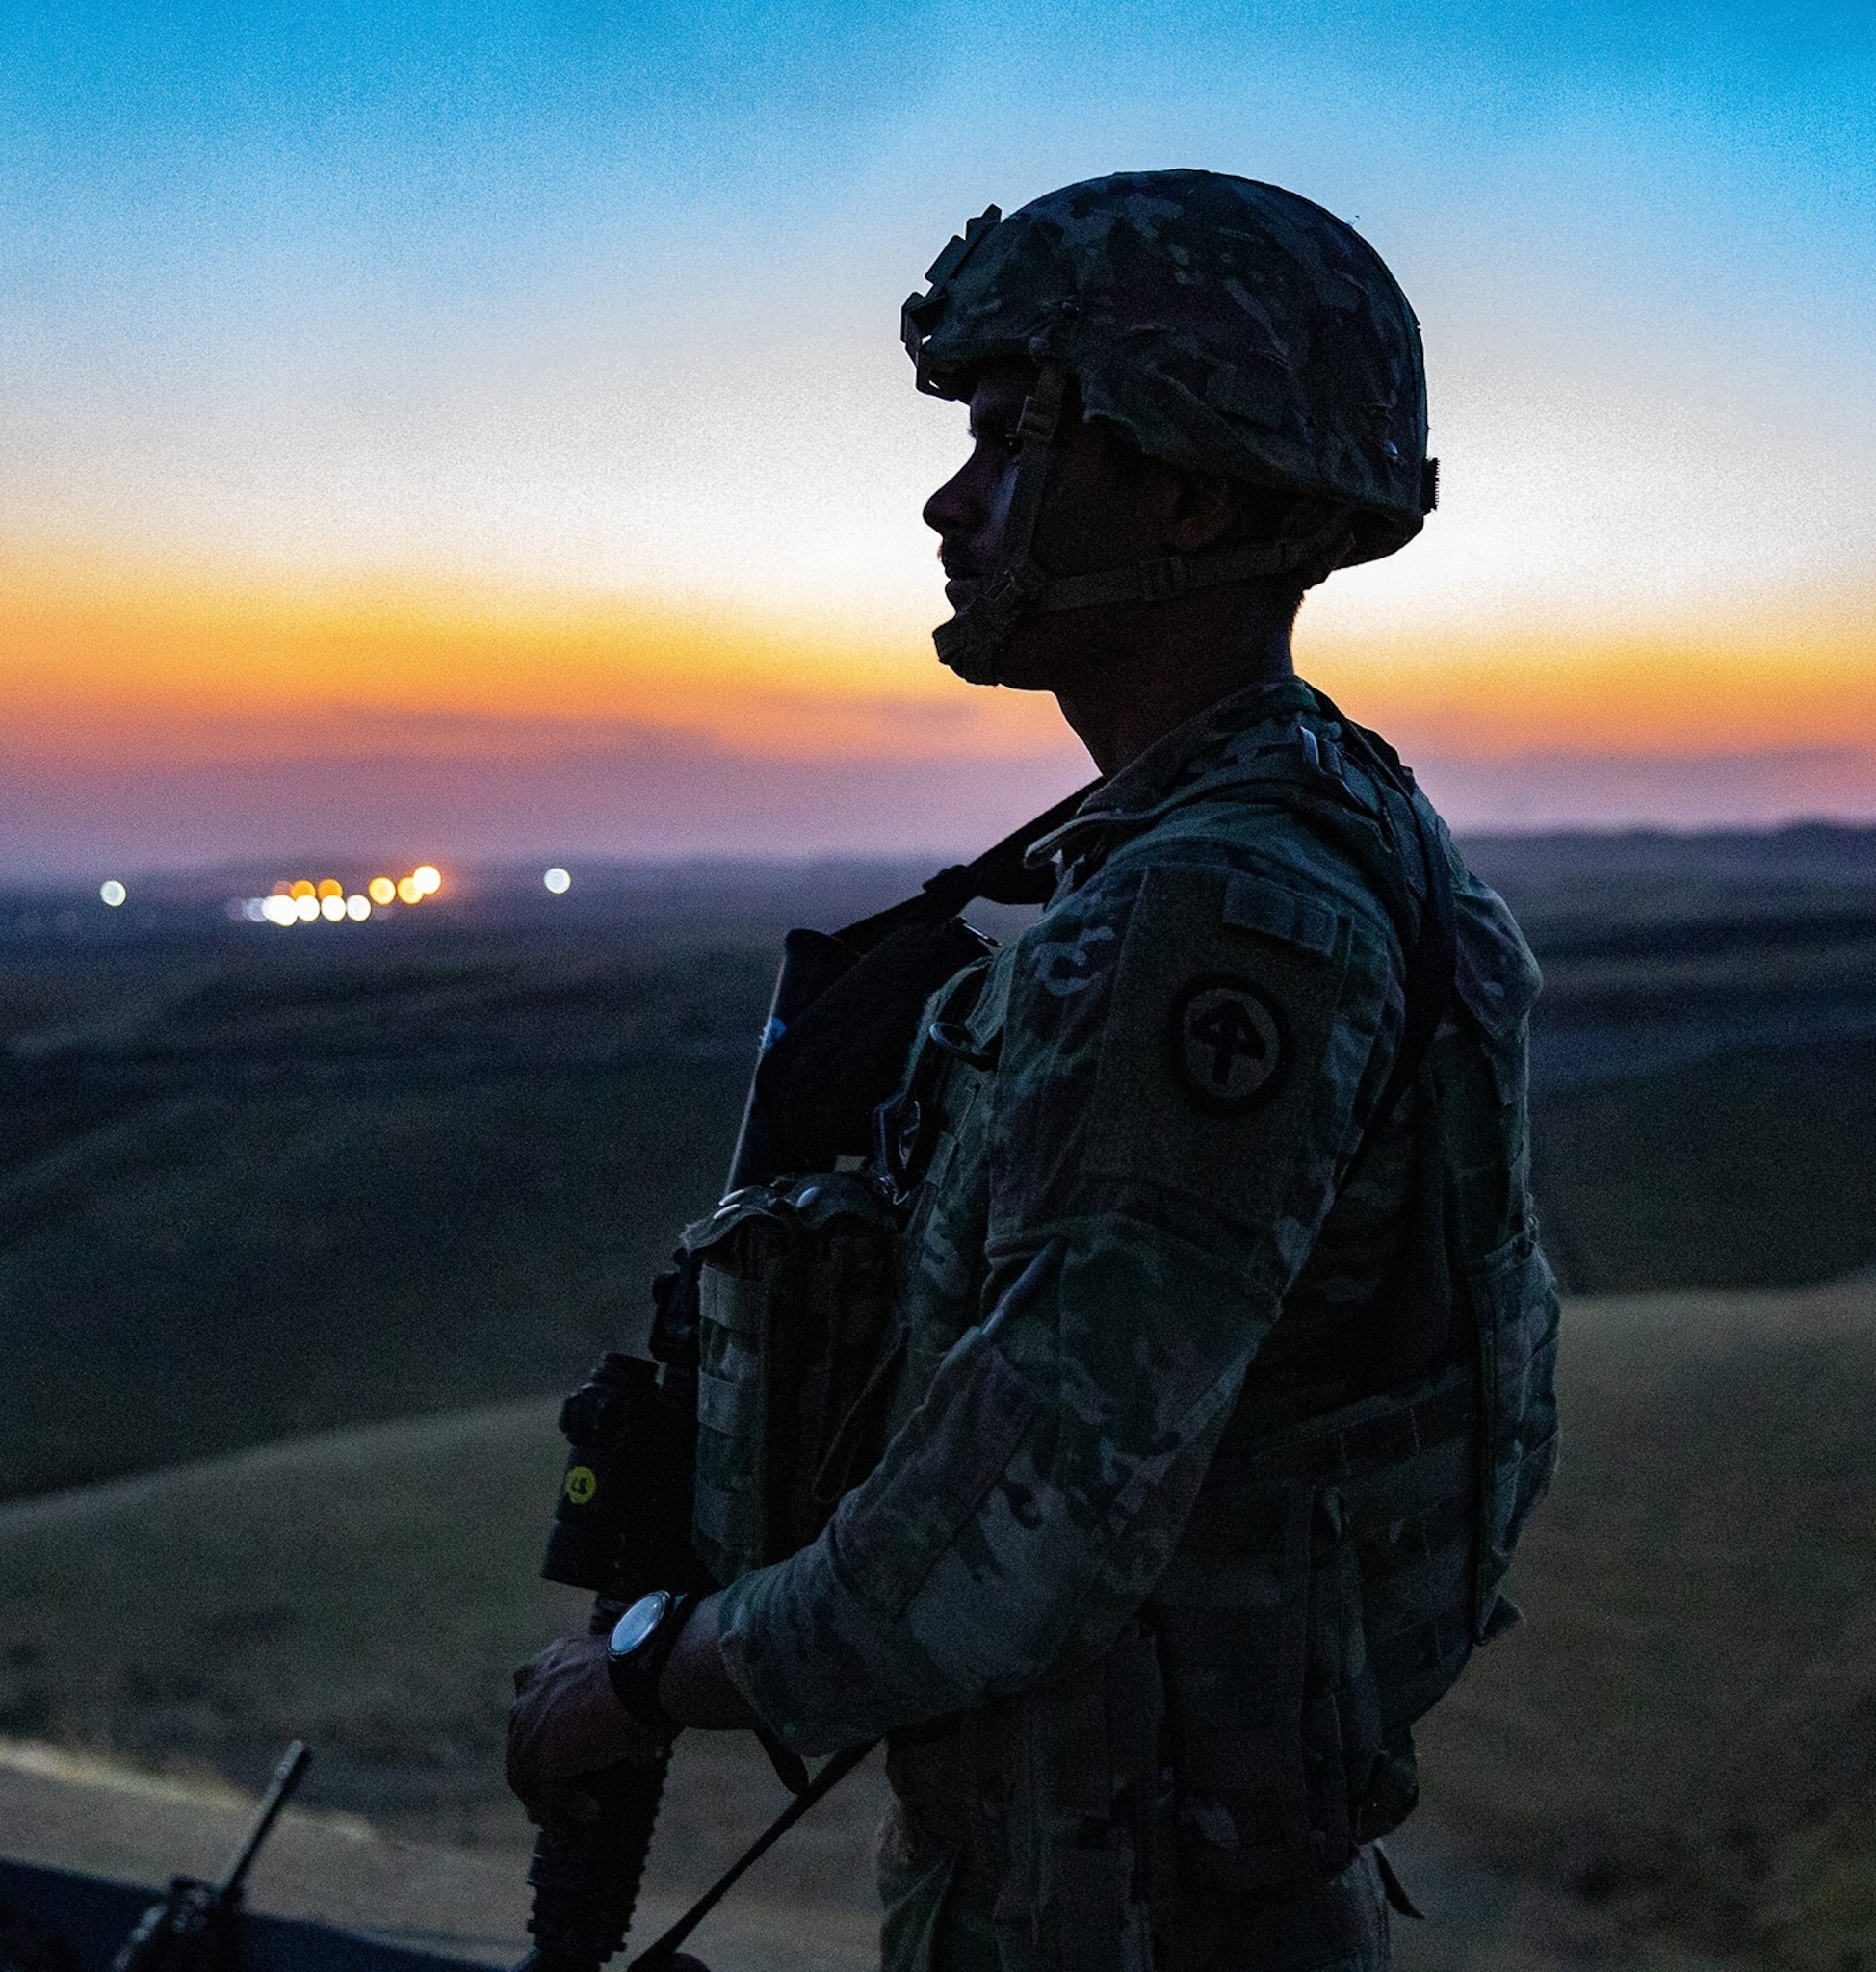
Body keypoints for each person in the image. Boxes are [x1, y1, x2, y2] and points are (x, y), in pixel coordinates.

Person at [508, 169, 1560, 1972]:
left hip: (1126, 1909)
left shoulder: (1210, 913)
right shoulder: (1303, 830)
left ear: (1187, 485)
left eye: (1010, 437)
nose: (948, 497)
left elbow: (1031, 1508)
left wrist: (640, 1679)